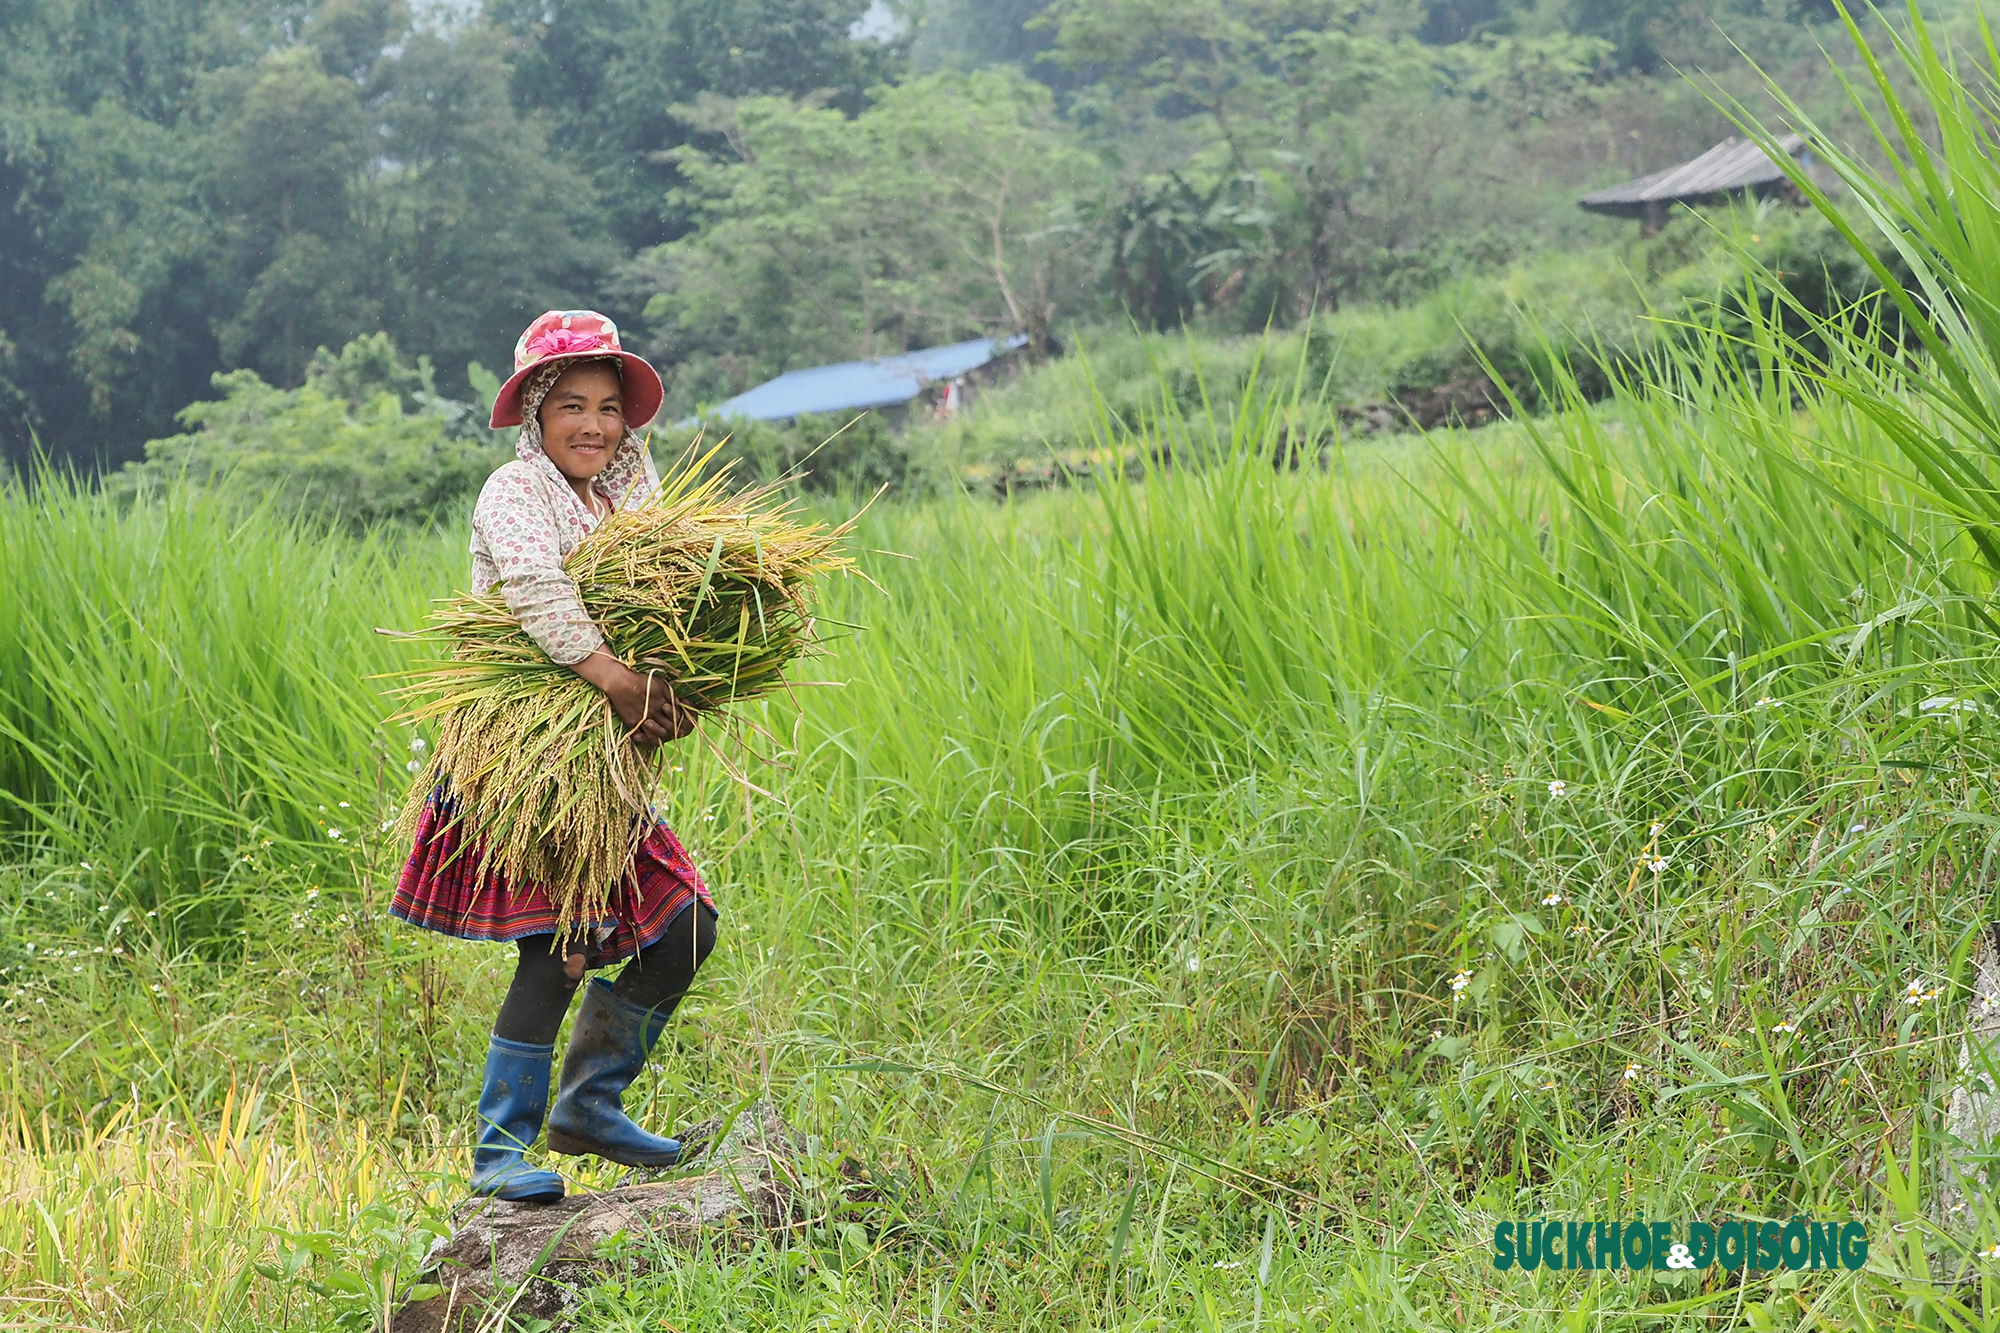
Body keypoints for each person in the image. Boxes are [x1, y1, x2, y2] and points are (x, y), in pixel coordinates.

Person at [390, 310, 717, 1204]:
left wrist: (665, 695)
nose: (593, 425)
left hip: (600, 764)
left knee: (686, 926)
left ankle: (590, 1105)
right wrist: (614, 677)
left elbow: (664, 604)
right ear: (535, 412)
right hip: (523, 764)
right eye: (570, 403)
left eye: (610, 407)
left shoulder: (627, 501)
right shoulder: (513, 492)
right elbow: (537, 589)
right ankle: (500, 1153)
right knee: (559, 951)